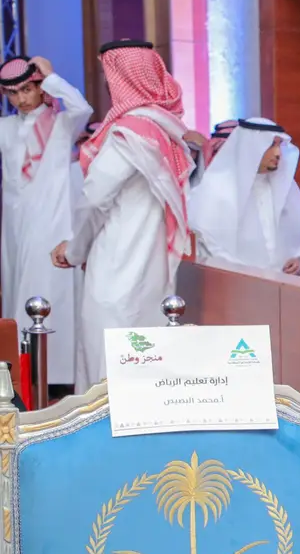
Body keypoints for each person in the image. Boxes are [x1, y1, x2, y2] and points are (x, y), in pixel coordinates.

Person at [52, 40, 202, 390]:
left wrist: (75, 250)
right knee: (143, 366)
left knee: (108, 366)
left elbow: (94, 200)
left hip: (117, 267)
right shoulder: (165, 131)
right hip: (151, 267)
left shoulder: (128, 135)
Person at [0, 56, 92, 384]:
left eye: (27, 89)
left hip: (52, 222)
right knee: (17, 288)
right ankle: (19, 374)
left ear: (40, 88)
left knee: (49, 287)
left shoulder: (62, 124)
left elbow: (83, 107)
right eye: (12, 93)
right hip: (15, 225)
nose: (21, 99)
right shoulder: (6, 128)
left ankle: (57, 374)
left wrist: (52, 76)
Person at [189, 117, 300, 274]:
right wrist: (250, 274)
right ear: (251, 148)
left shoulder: (286, 186)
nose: (278, 153)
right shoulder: (216, 188)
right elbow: (207, 244)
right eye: (271, 145)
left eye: (279, 145)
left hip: (284, 282)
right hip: (232, 281)